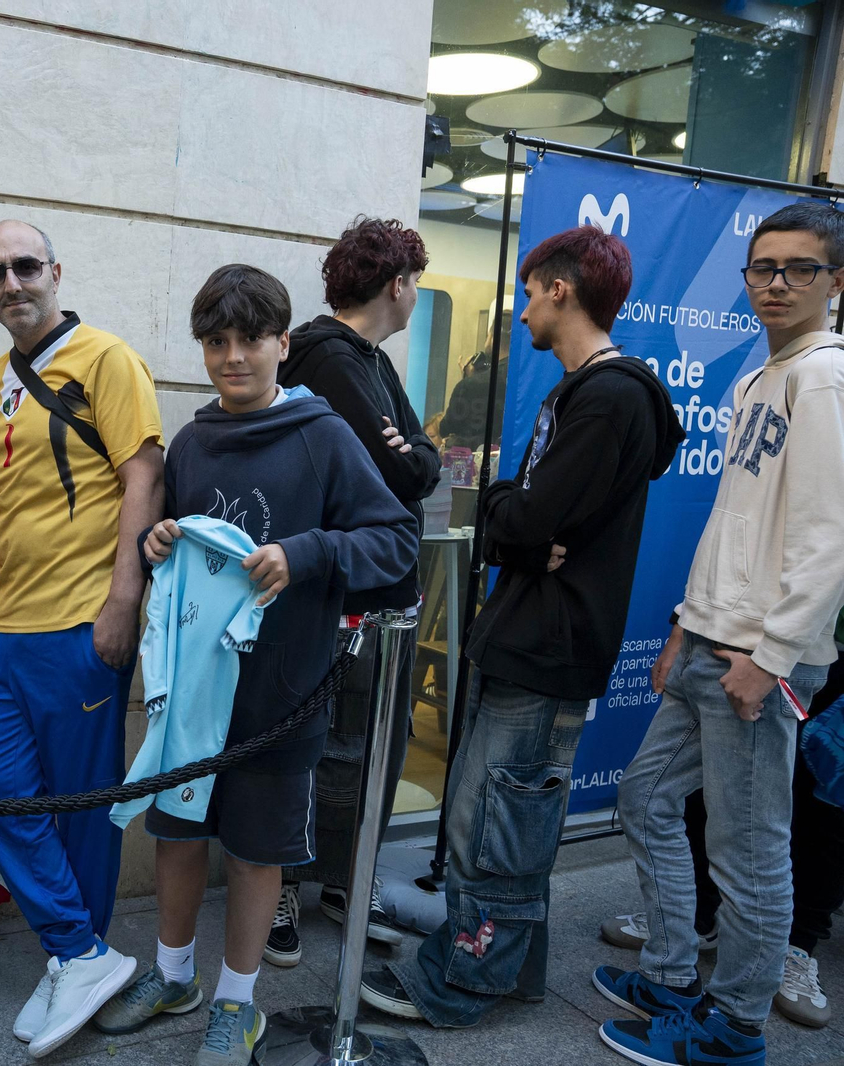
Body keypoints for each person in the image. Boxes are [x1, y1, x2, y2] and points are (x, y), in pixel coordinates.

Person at [359, 225, 683, 1028]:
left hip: (549, 644)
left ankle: (462, 982)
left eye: (530, 293)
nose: (523, 310)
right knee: (507, 819)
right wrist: (517, 516)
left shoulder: (609, 398)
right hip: (530, 635)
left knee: (496, 827)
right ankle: (513, 971)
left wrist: (508, 514)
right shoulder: (584, 391)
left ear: (561, 291)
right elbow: (525, 516)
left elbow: (527, 518)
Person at [93, 264, 417, 1065]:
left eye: (249, 340)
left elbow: (395, 542)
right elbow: (177, 542)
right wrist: (158, 541)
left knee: (255, 852)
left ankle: (238, 1004)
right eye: (216, 342)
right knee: (176, 836)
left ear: (283, 343)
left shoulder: (323, 436)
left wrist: (306, 553)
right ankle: (174, 977)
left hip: (284, 695)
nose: (233, 357)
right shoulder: (193, 441)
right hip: (193, 696)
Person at [598, 202, 844, 1066]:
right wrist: (683, 625)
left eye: (800, 268)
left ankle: (735, 1027)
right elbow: (732, 522)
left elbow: (830, 540)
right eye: (763, 267)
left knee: (749, 853)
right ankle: (672, 976)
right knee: (646, 799)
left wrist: (770, 659)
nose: (776, 284)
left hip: (758, 659)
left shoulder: (826, 378)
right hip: (710, 639)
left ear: (836, 282)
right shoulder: (758, 379)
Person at [0, 220, 164, 1059]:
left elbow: (143, 474)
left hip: (83, 618)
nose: (12, 283)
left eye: (25, 266)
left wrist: (124, 598)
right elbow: (0, 509)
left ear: (55, 271)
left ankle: (76, 955)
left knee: (82, 806)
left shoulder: (106, 358)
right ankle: (80, 953)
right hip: (2, 627)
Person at [272, 217, 441, 962]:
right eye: (417, 283)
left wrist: (416, 454)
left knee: (370, 743)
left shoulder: (370, 360)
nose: (416, 297)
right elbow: (402, 470)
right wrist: (414, 456)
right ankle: (282, 886)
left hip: (375, 590)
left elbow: (421, 452)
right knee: (317, 744)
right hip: (339, 590)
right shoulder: (332, 358)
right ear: (397, 285)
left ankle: (344, 878)